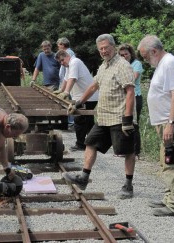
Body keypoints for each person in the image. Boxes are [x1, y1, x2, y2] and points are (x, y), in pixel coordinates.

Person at [62, 34, 137, 199]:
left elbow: (130, 92)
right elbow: (94, 85)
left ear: (113, 47)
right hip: (103, 116)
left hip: (119, 116)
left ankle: (128, 185)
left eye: (106, 48)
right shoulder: (103, 66)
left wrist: (127, 119)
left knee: (126, 151)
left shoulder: (122, 65)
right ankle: (83, 177)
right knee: (90, 142)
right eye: (101, 49)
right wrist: (79, 101)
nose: (104, 51)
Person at [137, 35, 174, 217]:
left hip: (172, 120)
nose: (145, 60)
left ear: (154, 51)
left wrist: (170, 124)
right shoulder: (163, 64)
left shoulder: (170, 63)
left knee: (172, 161)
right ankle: (169, 198)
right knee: (166, 160)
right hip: (166, 121)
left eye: (145, 56)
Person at [54, 50, 98, 151]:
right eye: (59, 62)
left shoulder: (75, 62)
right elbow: (66, 79)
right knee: (88, 121)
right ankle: (94, 142)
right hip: (87, 97)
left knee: (79, 120)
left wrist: (66, 93)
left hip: (87, 97)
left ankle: (81, 144)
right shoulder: (69, 65)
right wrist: (61, 90)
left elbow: (72, 79)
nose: (61, 63)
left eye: (62, 60)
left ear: (67, 56)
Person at [118, 43, 144, 157]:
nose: (124, 56)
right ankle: (125, 149)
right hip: (123, 97)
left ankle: (136, 150)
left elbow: (132, 79)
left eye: (126, 54)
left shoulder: (136, 64)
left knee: (134, 123)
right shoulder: (120, 65)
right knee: (123, 123)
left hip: (135, 96)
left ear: (130, 53)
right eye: (121, 55)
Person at [56, 37, 76, 127]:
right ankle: (70, 120)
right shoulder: (68, 52)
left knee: (68, 101)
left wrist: (64, 89)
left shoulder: (68, 53)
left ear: (62, 45)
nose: (58, 47)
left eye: (58, 45)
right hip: (66, 81)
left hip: (68, 82)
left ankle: (71, 121)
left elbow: (69, 71)